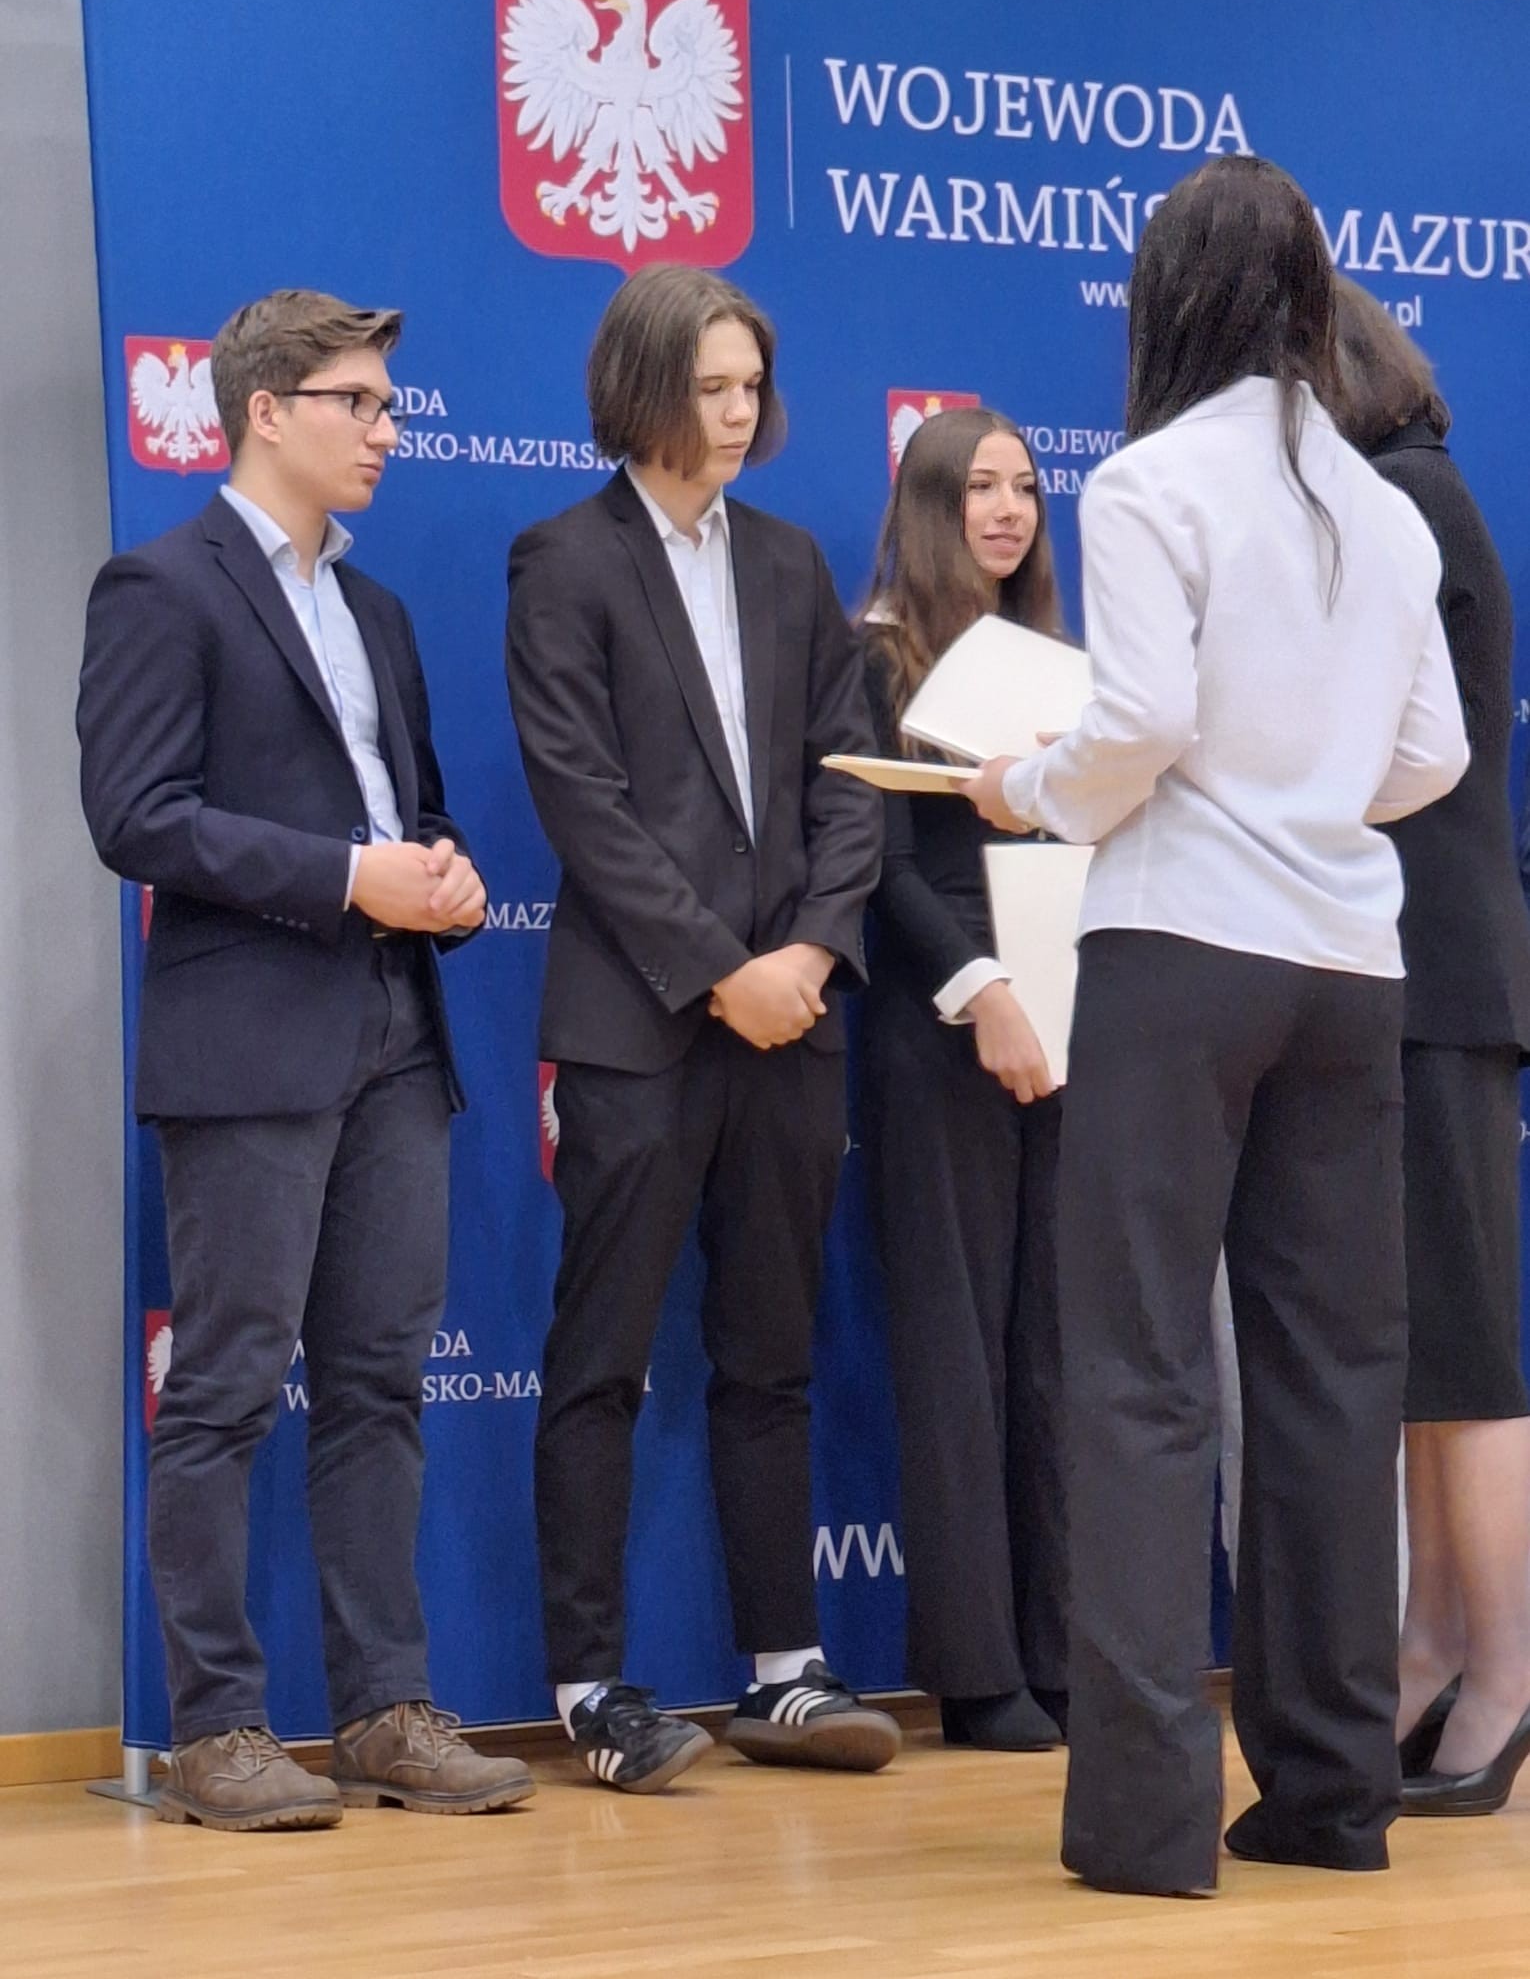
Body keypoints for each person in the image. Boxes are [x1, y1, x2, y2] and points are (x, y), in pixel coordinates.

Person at [966, 156, 1468, 1894]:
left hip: (1180, 950)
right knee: (1332, 1378)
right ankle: (1332, 1800)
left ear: (1164, 297)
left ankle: (1141, 1823)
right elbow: (1432, 758)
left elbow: (1137, 727)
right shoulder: (1385, 509)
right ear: (1311, 300)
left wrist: (1024, 789)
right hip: (1349, 964)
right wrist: (1307, 794)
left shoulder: (1148, 480)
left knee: (1138, 1371)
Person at [78, 290, 532, 1832]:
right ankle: (216, 1728)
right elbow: (136, 817)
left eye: (389, 405)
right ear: (266, 410)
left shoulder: (377, 611)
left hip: (396, 1033)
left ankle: (384, 1713)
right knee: (220, 1391)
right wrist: (350, 876)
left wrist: (441, 874)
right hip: (250, 1042)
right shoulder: (161, 587)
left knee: (380, 1386)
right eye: (360, 403)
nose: (388, 430)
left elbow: (409, 807)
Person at [505, 263, 896, 1794]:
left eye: (749, 388)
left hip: (791, 1023)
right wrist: (720, 968)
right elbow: (581, 801)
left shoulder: (791, 564)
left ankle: (784, 1673)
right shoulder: (564, 558)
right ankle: (591, 1689)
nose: (736, 415)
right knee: (600, 1360)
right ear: (642, 387)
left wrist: (806, 951)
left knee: (770, 1356)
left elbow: (850, 781)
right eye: (709, 388)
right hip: (640, 1023)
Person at [1332, 275, 1530, 1817]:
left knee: (1461, 1350)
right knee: (1418, 1352)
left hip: (1437, 975)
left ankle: (1504, 1677)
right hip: (1409, 971)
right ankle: (1425, 1649)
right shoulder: (1415, 491)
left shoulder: (1406, 500)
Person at [857, 407, 1067, 1753]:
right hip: (941, 1029)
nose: (1006, 510)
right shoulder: (877, 656)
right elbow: (876, 869)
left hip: (1067, 1019)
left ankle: (1062, 1649)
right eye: (979, 487)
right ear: (929, 506)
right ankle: (979, 1669)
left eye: (1025, 487)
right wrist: (980, 992)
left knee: (1057, 1350)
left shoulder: (1053, 664)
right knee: (955, 1349)